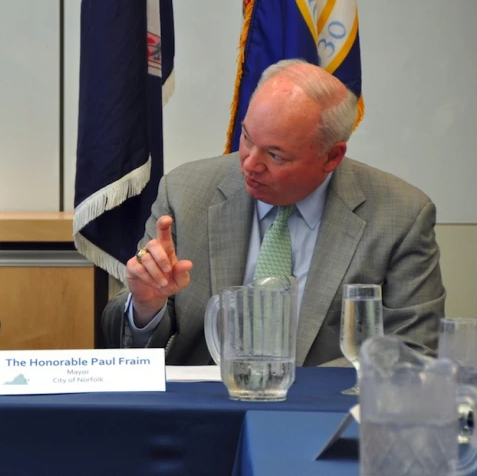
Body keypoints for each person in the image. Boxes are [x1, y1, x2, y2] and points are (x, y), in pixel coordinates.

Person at [102, 59, 445, 366]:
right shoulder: (185, 192)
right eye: (247, 138)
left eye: (276, 156)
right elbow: (122, 342)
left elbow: (412, 353)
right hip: (204, 414)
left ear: (332, 157)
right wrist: (146, 305)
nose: (250, 164)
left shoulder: (400, 216)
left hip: (323, 420)